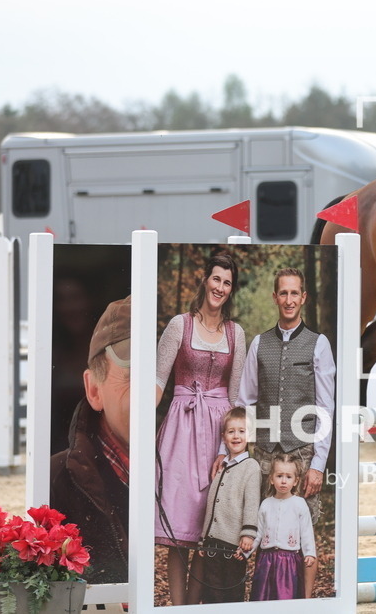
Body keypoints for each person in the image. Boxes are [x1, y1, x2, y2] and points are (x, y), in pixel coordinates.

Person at [232, 267, 335, 599]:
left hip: (302, 451)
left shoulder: (318, 345)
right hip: (262, 454)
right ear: (275, 297)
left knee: (304, 535)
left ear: (303, 298)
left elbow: (325, 408)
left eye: (295, 293)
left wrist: (318, 464)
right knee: (259, 531)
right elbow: (244, 400)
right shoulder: (260, 343)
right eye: (283, 293)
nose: (289, 300)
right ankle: (263, 599)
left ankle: (303, 603)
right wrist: (239, 452)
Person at [154, 252, 246, 605]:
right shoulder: (181, 325)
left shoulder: (236, 333)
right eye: (216, 279)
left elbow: (236, 396)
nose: (220, 287)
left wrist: (230, 450)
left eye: (227, 282)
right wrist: (143, 426)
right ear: (205, 280)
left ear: (230, 290)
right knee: (179, 530)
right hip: (181, 429)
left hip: (218, 434)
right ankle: (178, 608)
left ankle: (194, 608)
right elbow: (157, 382)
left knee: (208, 532)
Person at [50, 295, 131, 584]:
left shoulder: (214, 474)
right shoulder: (54, 485)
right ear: (94, 389)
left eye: (167, 375)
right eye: (134, 374)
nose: (155, 392)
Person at [197, 407, 261, 604]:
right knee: (211, 592)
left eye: (241, 431)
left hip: (233, 545)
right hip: (212, 543)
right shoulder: (222, 466)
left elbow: (251, 502)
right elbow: (212, 505)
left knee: (231, 592)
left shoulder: (251, 467)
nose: (236, 436)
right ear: (224, 437)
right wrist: (203, 538)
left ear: (249, 435)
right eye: (231, 431)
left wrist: (248, 534)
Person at [250, 453, 316, 601]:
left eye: (288, 477)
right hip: (266, 560)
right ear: (272, 479)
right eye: (279, 476)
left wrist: (309, 553)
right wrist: (246, 551)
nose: (283, 481)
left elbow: (306, 533)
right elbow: (259, 533)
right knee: (263, 597)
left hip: (289, 561)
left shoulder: (299, 504)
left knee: (285, 597)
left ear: (295, 481)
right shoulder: (266, 504)